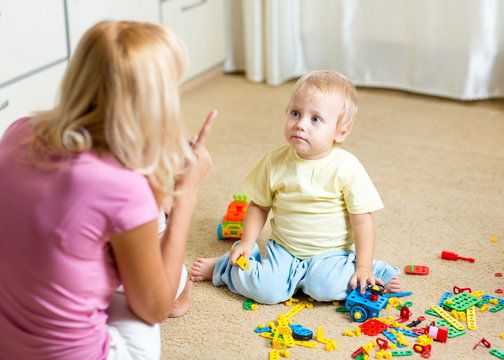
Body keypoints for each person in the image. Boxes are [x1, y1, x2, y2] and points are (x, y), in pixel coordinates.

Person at [0, 21, 216, 359]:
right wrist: (186, 194)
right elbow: (154, 309)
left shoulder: (18, 131)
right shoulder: (123, 188)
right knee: (160, 270)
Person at [191, 70, 401, 304]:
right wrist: (248, 242)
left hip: (331, 254)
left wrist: (362, 265)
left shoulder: (347, 167)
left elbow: (362, 221)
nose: (300, 124)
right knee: (266, 292)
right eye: (295, 113)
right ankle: (223, 268)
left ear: (340, 132)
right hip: (285, 250)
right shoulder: (274, 162)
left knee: (326, 289)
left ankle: (372, 270)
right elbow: (259, 206)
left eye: (315, 119)